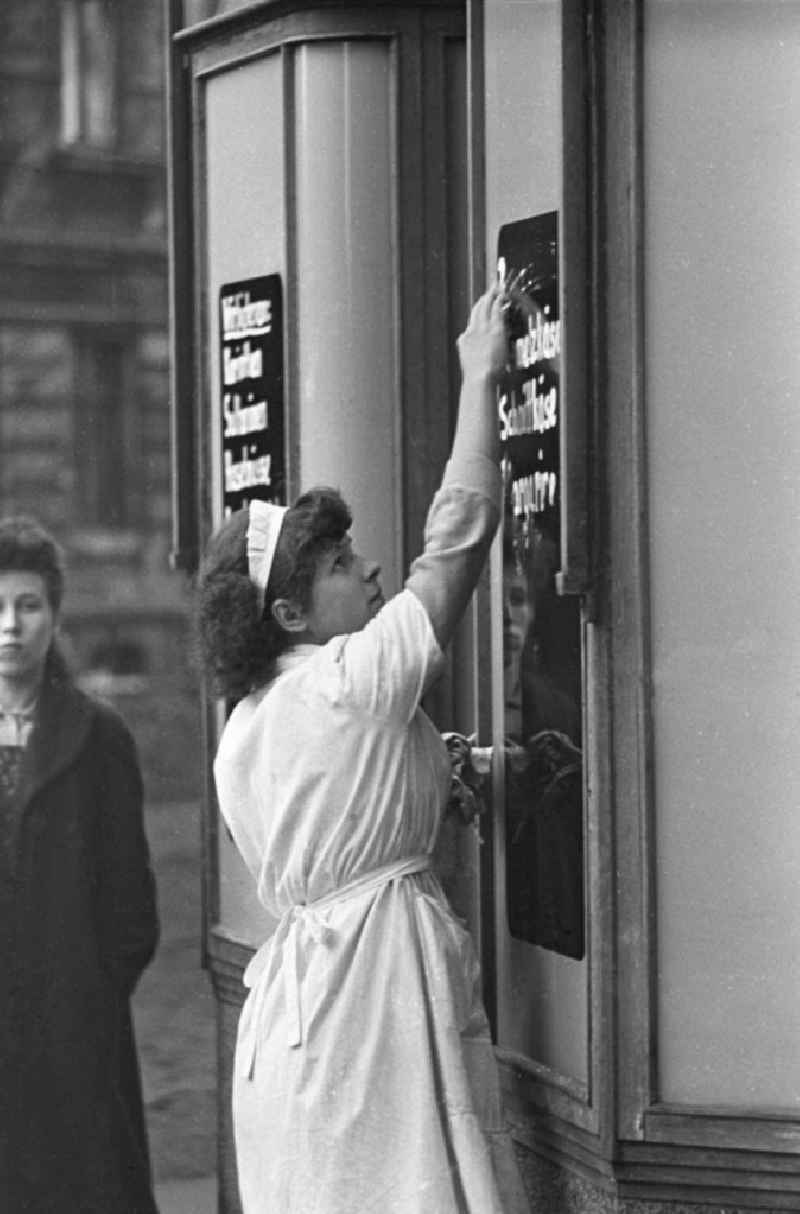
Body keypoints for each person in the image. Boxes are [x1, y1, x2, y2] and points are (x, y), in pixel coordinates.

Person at [198, 284, 529, 1213]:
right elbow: (455, 545)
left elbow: (353, 796)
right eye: (342, 565)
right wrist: (481, 380)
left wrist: (451, 769)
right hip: (367, 1001)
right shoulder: (347, 682)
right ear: (291, 613)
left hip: (295, 1028)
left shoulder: (251, 724)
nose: (370, 568)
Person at [0, 518, 159, 1214]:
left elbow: (133, 910)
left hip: (73, 1038)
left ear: (55, 614)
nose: (10, 625)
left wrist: (85, 997)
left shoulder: (96, 736)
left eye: (29, 605)